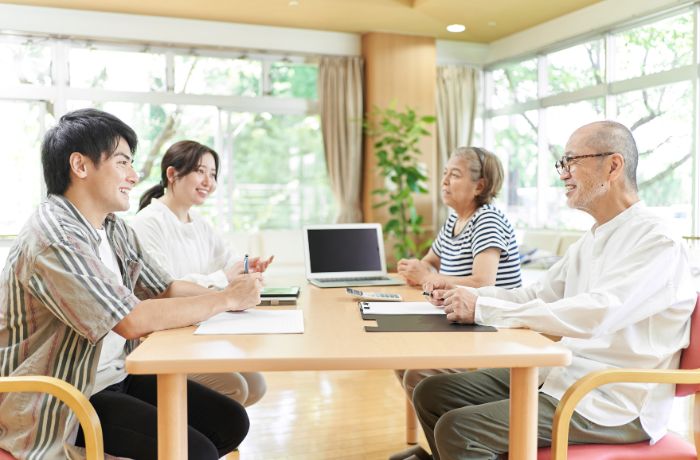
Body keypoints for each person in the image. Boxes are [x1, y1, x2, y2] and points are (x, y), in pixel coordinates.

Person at [405, 121, 696, 460]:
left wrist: (483, 310)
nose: (563, 173)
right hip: (564, 376)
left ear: (613, 166)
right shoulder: (592, 239)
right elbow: (536, 295)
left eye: (572, 161)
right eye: (563, 163)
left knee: (458, 427)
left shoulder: (657, 240)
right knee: (430, 392)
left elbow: (597, 314)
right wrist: (471, 299)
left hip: (612, 400)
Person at [0, 109, 261, 460]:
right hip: (65, 397)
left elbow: (163, 288)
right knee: (196, 452)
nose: (135, 176)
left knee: (230, 422)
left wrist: (232, 295)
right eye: (123, 162)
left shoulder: (112, 227)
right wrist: (226, 299)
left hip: (113, 377)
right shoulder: (54, 237)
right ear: (80, 166)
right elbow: (131, 320)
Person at [129, 140, 271, 407]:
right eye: (200, 171)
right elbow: (165, 288)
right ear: (172, 175)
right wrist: (225, 280)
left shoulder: (200, 225)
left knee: (255, 385)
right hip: (164, 335)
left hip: (199, 327)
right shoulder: (148, 223)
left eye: (214, 174)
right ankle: (184, 445)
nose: (209, 181)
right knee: (236, 389)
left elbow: (228, 261)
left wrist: (245, 268)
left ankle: (206, 441)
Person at [393, 147, 522, 405]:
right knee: (402, 359)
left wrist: (426, 276)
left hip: (492, 327)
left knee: (419, 374)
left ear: (479, 186)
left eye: (454, 175)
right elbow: (429, 262)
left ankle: (448, 441)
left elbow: (483, 282)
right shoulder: (454, 220)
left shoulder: (487, 220)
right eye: (444, 174)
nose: (444, 181)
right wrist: (417, 270)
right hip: (459, 320)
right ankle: (439, 443)